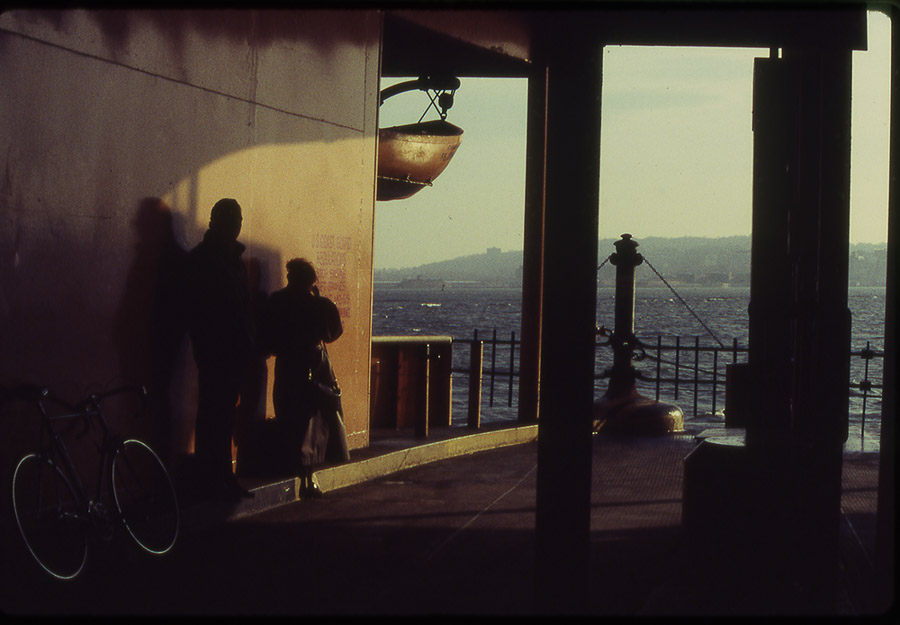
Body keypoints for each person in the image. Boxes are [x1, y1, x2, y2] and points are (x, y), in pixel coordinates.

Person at [185, 198, 254, 501]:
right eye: (233, 219)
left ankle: (221, 478)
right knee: (216, 416)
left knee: (221, 416)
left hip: (227, 352)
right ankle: (214, 480)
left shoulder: (221, 258)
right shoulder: (214, 260)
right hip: (217, 352)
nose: (236, 224)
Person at [263, 258, 344, 497]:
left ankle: (295, 469)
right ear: (311, 281)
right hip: (314, 366)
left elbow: (269, 339)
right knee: (312, 423)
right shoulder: (318, 305)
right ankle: (309, 478)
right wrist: (319, 301)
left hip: (287, 366)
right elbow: (331, 334)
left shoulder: (276, 301)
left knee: (289, 416)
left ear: (289, 277)